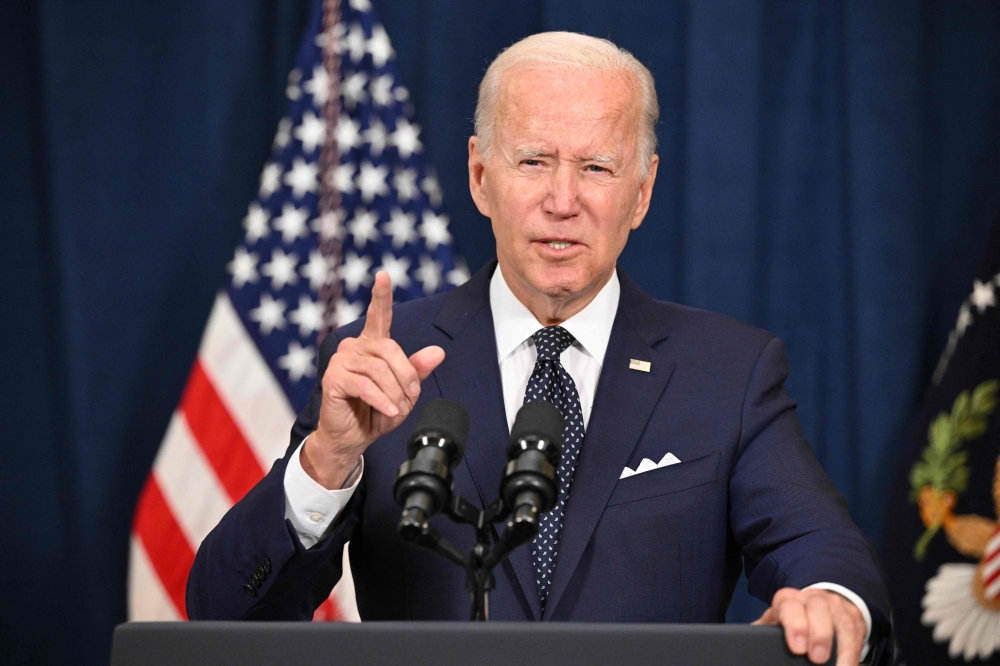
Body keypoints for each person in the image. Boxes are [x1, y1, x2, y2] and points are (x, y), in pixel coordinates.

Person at [187, 31, 891, 666]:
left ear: (641, 193)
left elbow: (818, 547)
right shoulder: (383, 361)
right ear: (480, 176)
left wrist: (829, 601)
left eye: (596, 169)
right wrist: (328, 460)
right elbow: (226, 617)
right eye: (532, 161)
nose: (562, 200)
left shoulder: (727, 373)